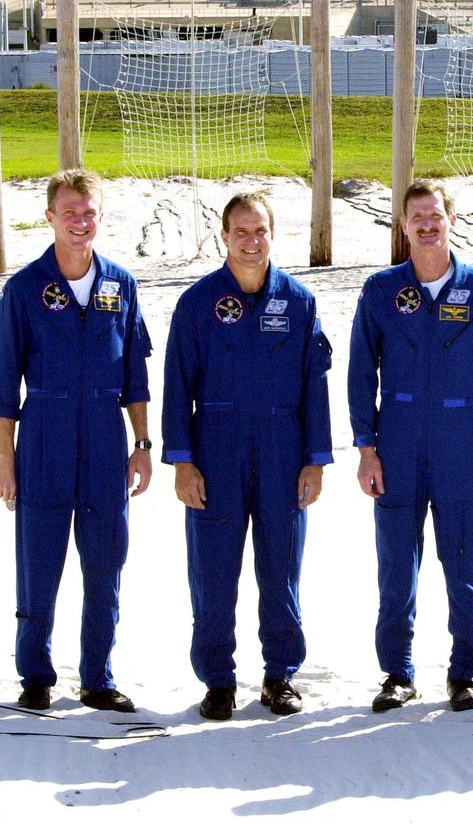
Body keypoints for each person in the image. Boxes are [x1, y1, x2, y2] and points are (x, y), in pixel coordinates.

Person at [348, 180, 473, 713]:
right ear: (402, 226)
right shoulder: (380, 291)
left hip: (466, 440)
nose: (427, 225)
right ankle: (397, 672)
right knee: (397, 564)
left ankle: (465, 672)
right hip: (398, 442)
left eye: (435, 215)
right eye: (416, 217)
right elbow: (360, 373)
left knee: (467, 563)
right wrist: (366, 447)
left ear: (451, 220)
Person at [161, 193, 333, 720]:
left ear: (273, 235)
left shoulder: (299, 302)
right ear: (224, 237)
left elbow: (315, 387)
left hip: (283, 449)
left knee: (280, 567)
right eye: (241, 231)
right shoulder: (197, 303)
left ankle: (280, 675)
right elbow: (176, 385)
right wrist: (183, 461)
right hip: (216, 449)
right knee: (214, 571)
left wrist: (315, 459)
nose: (252, 241)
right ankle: (218, 680)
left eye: (260, 231)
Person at [0, 168, 153, 713]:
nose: (80, 222)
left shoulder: (120, 284)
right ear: (50, 218)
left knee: (106, 562)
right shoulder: (24, 288)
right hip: (44, 439)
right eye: (70, 213)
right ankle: (35, 675)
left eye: (89, 213)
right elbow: (3, 382)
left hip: (107, 441)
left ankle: (97, 678)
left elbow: (135, 375)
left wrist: (143, 444)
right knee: (39, 562)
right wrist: (5, 460)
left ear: (99, 218)